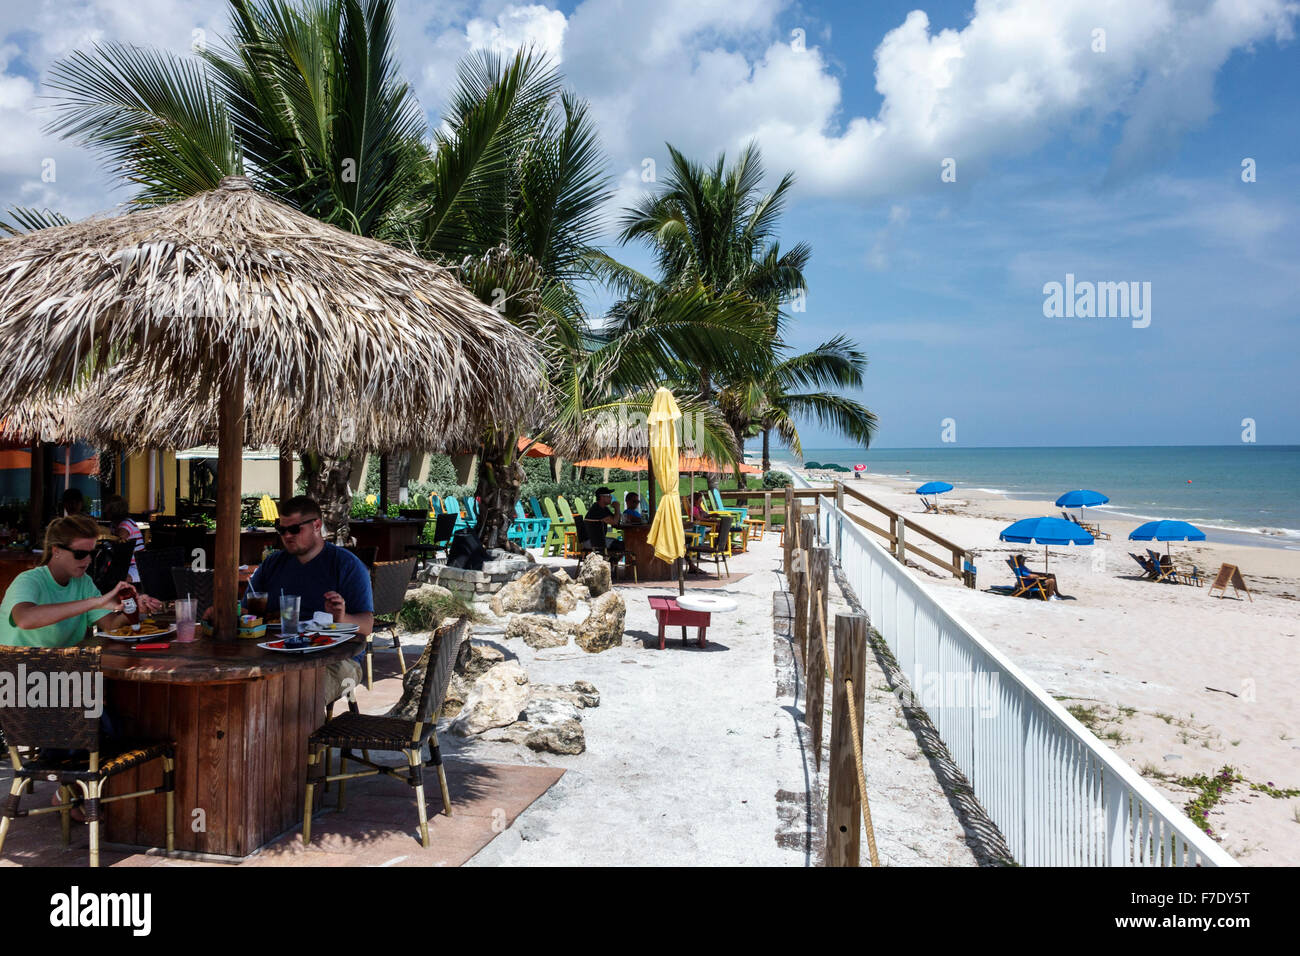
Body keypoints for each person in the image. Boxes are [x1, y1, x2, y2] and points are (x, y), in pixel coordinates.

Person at [247, 496, 372, 697]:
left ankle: (304, 727)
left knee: (296, 697)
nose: (287, 535)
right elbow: (247, 611)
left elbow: (367, 625)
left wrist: (342, 618)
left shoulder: (346, 565)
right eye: (282, 530)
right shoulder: (272, 564)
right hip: (276, 655)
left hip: (336, 660)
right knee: (248, 691)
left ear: (316, 525)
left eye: (294, 529)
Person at [0, 515, 162, 648]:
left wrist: (133, 610)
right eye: (80, 554)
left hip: (58, 671)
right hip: (16, 673)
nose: (88, 560)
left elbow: (111, 625)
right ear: (56, 551)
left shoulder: (83, 582)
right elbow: (25, 619)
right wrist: (94, 602)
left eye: (92, 554)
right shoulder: (29, 580)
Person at [103, 495, 144, 583]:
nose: (104, 511)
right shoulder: (114, 525)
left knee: (115, 579)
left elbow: (119, 538)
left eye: (107, 509)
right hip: (125, 566)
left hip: (136, 567)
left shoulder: (126, 524)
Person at [583, 487, 624, 554]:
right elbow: (615, 522)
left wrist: (617, 510)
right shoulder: (597, 510)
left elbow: (616, 521)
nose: (611, 497)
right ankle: (611, 563)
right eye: (609, 495)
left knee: (619, 544)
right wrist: (617, 508)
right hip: (593, 542)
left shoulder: (603, 508)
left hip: (596, 540)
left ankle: (610, 563)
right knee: (622, 545)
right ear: (602, 497)